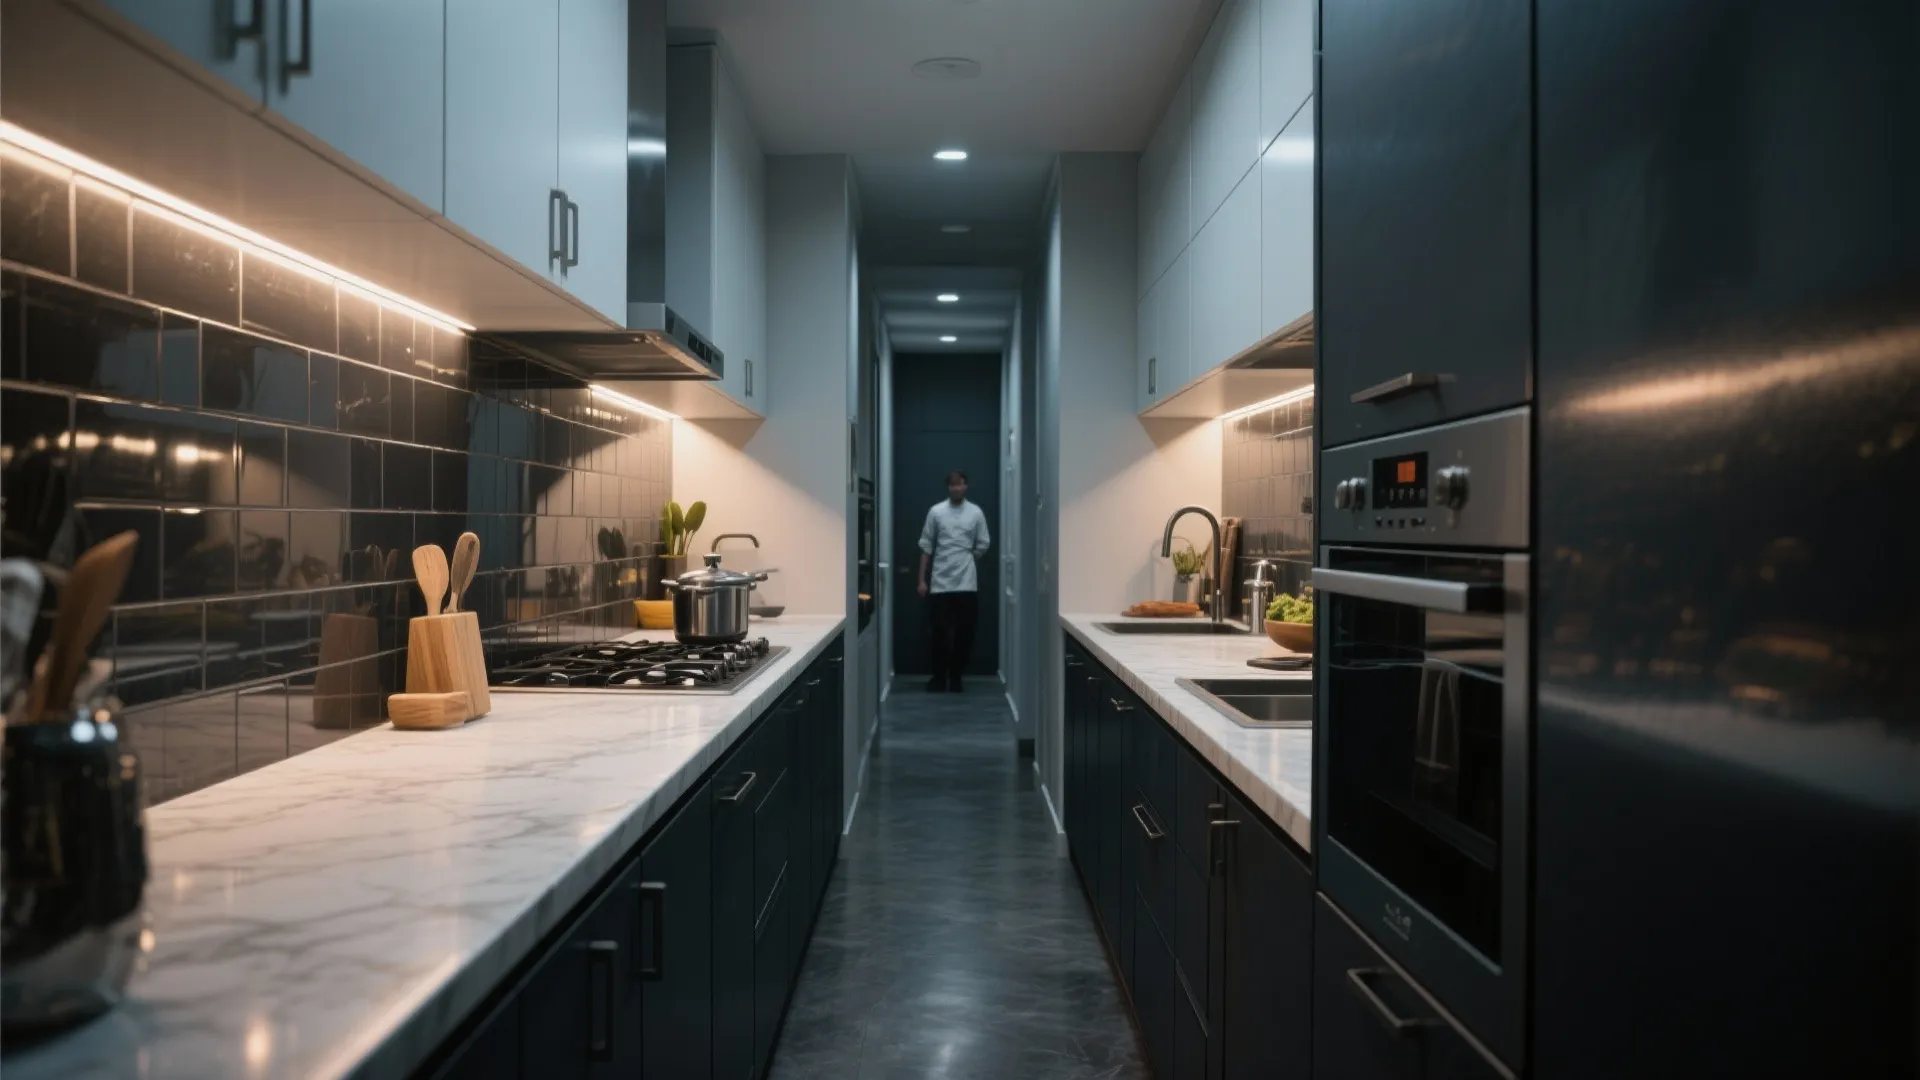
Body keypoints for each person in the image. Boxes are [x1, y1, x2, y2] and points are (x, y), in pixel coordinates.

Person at [917, 469, 991, 692]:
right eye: (952, 485)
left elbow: (983, 543)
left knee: (965, 632)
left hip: (967, 582)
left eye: (960, 485)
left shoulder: (975, 513)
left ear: (965, 487)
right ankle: (939, 678)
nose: (956, 488)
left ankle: (956, 677)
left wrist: (967, 558)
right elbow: (926, 546)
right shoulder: (936, 512)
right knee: (938, 632)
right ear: (948, 487)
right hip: (940, 581)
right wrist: (922, 580)